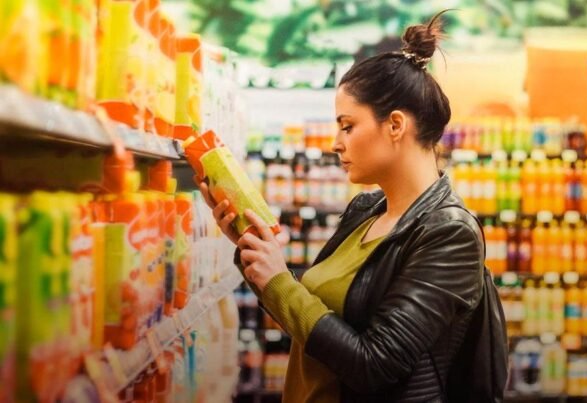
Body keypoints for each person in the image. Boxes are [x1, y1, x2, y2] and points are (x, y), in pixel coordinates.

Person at [200, 11, 485, 403]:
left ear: (396, 125)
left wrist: (279, 281)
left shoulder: (449, 233)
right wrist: (254, 246)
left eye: (347, 126)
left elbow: (374, 364)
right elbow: (312, 322)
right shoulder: (365, 212)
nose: (335, 142)